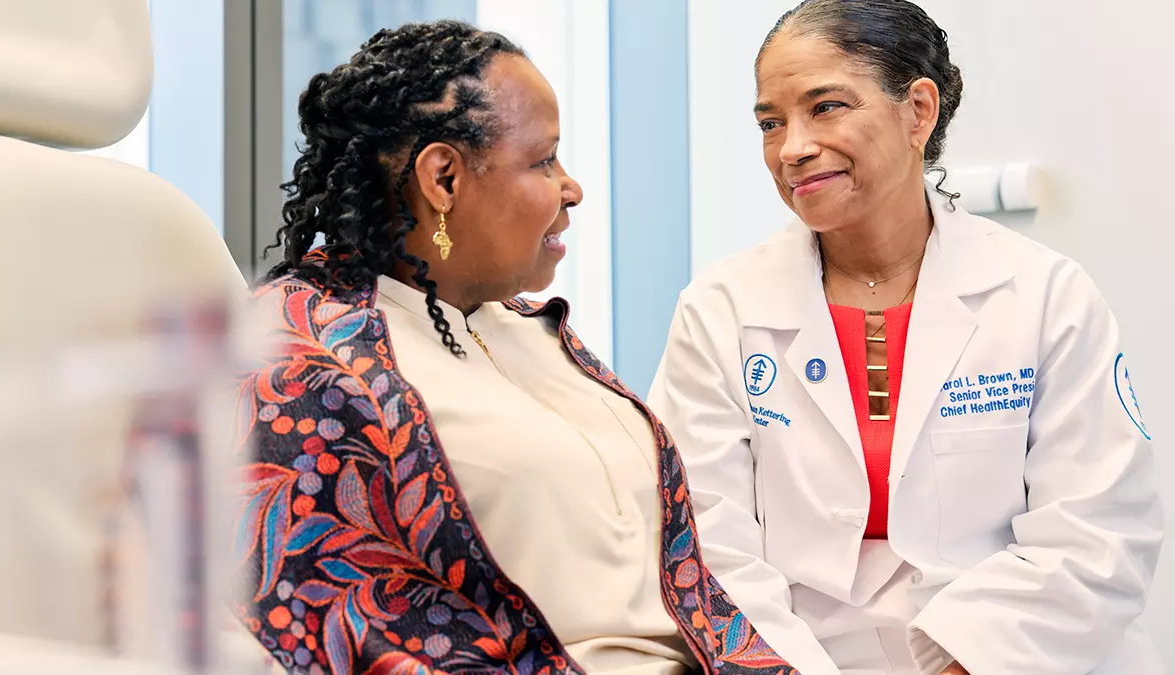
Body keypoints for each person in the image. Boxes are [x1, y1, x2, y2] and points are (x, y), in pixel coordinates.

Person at [231, 20, 801, 675]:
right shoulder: (301, 364)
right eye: (543, 160)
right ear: (444, 179)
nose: (572, 188)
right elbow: (341, 630)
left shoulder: (522, 325)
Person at [647, 2, 1164, 674]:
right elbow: (704, 546)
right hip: (804, 655)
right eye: (770, 123)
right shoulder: (720, 311)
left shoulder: (1042, 296)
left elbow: (1099, 534)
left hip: (1011, 654)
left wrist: (964, 662)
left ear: (918, 111)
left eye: (825, 107)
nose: (792, 147)